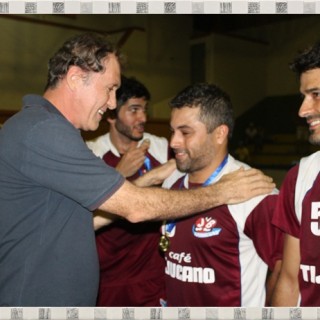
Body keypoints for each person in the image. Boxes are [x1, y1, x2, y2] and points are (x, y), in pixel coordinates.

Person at [0, 33, 275, 307]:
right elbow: (136, 209)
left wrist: (145, 180)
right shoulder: (44, 131)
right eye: (109, 89)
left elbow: (82, 219)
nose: (110, 103)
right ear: (75, 78)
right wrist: (221, 191)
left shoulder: (42, 128)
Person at [161, 83, 283, 307]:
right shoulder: (172, 182)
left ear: (219, 133)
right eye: (172, 131)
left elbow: (287, 270)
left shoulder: (255, 193)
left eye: (185, 132)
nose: (173, 142)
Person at [86, 76, 169, 306]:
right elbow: (81, 213)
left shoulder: (160, 147)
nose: (143, 117)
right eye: (134, 110)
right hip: (106, 277)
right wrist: (118, 173)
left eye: (144, 109)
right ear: (111, 115)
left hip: (151, 276)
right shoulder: (91, 152)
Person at [271, 42, 320, 307]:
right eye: (304, 96)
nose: (303, 110)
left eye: (316, 94)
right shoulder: (300, 176)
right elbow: (290, 280)